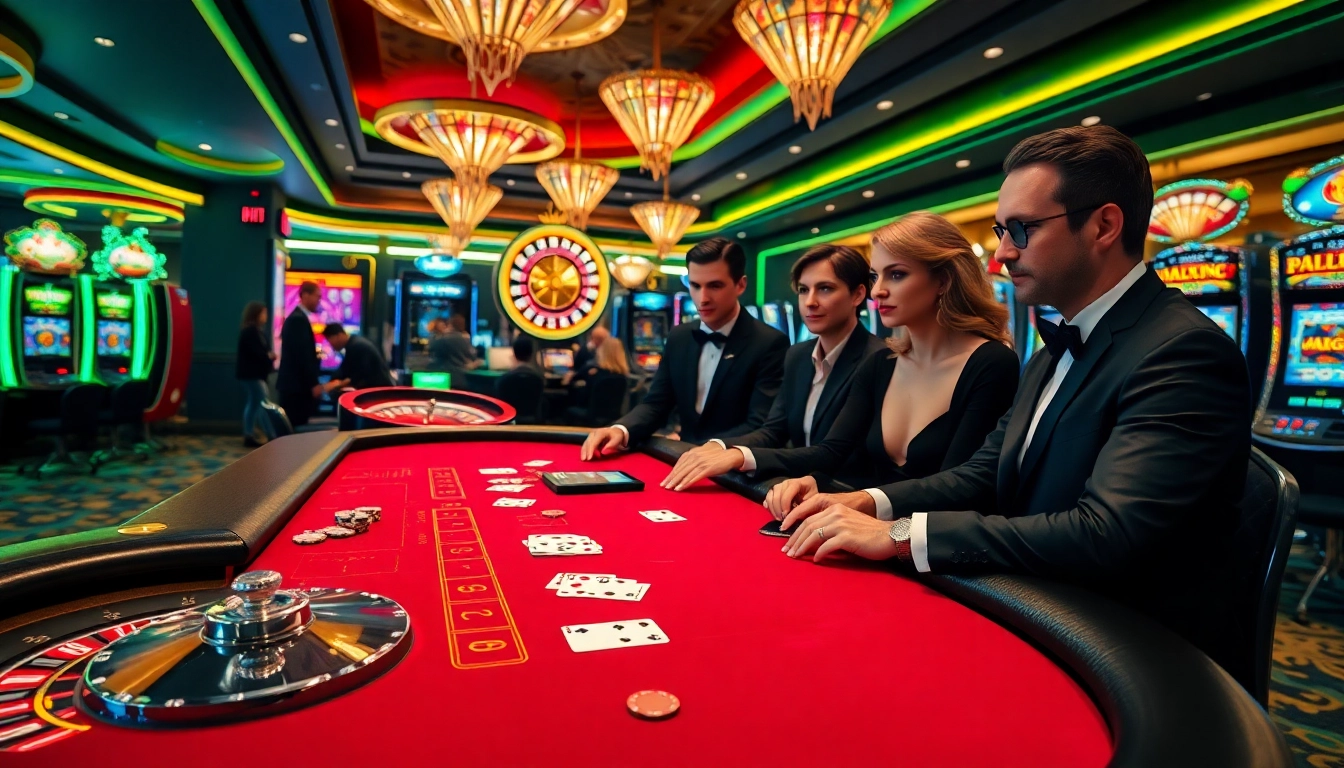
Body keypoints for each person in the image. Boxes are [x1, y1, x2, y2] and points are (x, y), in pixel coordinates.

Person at [776, 125, 1252, 683]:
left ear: (1104, 225)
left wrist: (906, 535)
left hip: (1128, 659)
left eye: (1021, 230)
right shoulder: (1052, 350)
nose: (1001, 254)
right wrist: (867, 501)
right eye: (1003, 231)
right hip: (1035, 604)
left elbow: (1107, 534)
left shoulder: (1182, 351)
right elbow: (984, 472)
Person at [659, 244, 887, 490]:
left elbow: (834, 452)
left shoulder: (878, 359)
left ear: (857, 294)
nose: (810, 302)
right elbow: (773, 431)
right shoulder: (797, 355)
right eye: (803, 290)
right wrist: (719, 446)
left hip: (852, 498)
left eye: (825, 289)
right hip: (796, 491)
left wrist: (740, 456)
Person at [580, 237, 788, 458]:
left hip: (736, 471)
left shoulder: (769, 343)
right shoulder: (680, 337)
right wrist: (621, 429)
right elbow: (656, 404)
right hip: (683, 461)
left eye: (715, 286)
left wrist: (709, 448)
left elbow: (761, 426)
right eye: (695, 285)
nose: (703, 298)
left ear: (741, 285)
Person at [277, 281, 338, 427]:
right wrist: (314, 383)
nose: (319, 300)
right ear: (305, 295)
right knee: (296, 433)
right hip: (296, 389)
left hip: (294, 386)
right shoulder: (298, 320)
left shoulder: (297, 318)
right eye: (317, 296)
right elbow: (301, 357)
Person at [235, 301, 277, 447]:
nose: (265, 316)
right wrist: (269, 356)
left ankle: (249, 434)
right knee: (263, 402)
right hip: (252, 374)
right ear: (256, 314)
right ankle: (271, 434)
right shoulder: (251, 332)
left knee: (254, 404)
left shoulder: (254, 331)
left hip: (251, 374)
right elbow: (256, 353)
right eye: (263, 313)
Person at [321, 323, 387, 390]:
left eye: (330, 339)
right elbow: (344, 370)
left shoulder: (356, 346)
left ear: (339, 335)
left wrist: (337, 385)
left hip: (380, 391)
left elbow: (359, 375)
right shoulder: (353, 343)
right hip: (376, 389)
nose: (330, 344)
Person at [497, 335, 546, 422]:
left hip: (510, 426)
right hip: (533, 427)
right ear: (531, 354)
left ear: (514, 354)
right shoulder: (539, 379)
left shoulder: (504, 380)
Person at [427, 314, 481, 386]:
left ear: (450, 325)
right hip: (459, 378)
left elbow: (431, 348)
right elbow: (473, 356)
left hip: (440, 377)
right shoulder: (464, 339)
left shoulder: (441, 339)